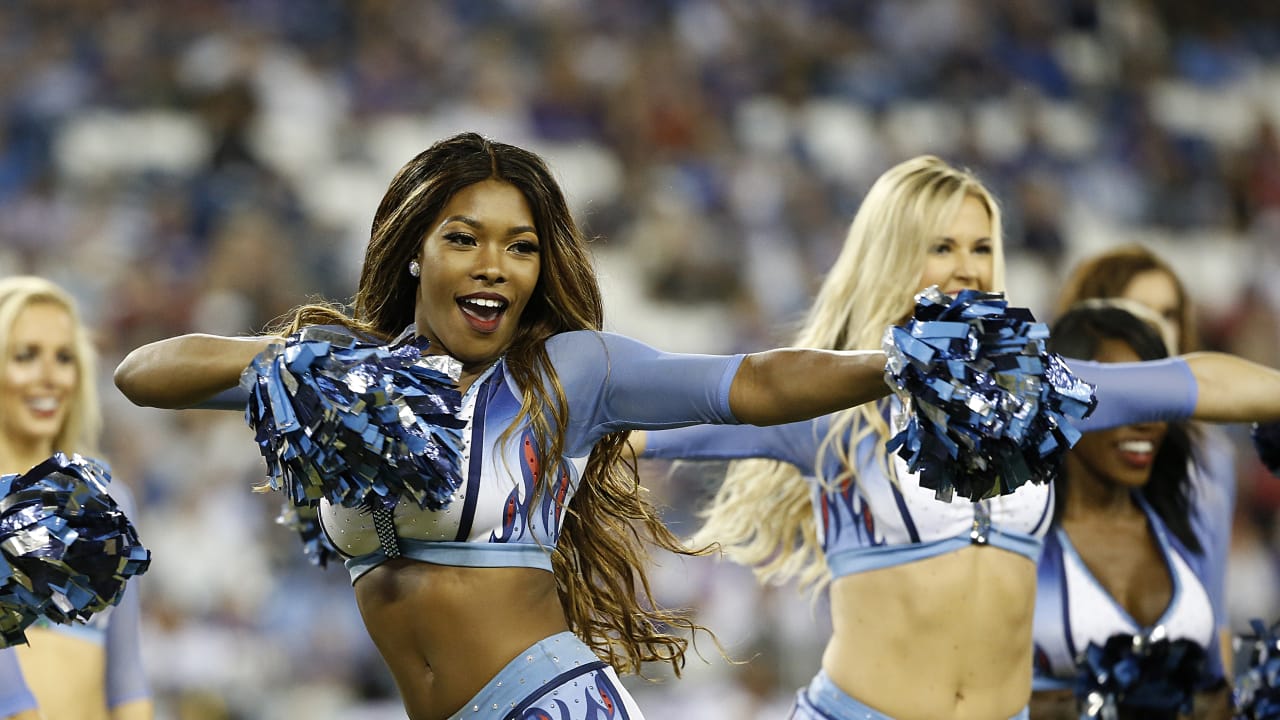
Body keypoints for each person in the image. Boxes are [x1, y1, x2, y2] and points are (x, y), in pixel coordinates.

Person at [112, 132, 905, 720]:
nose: (494, 264)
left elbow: (758, 380)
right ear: (416, 250)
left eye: (520, 247)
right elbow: (143, 375)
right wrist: (300, 363)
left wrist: (900, 363)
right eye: (463, 238)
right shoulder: (344, 378)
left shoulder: (569, 374)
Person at [636, 155, 1280, 720]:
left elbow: (1187, 381)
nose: (967, 269)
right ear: (893, 256)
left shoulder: (1047, 390)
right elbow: (655, 427)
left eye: (980, 248)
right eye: (941, 247)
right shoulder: (830, 408)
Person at [1030, 304, 1231, 720]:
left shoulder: (1189, 519)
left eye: (1157, 403)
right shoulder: (1021, 527)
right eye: (1123, 403)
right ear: (1063, 402)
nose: (1148, 424)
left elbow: (1216, 689)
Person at [1056, 245, 1239, 679]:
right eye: (1137, 310)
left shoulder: (1211, 457)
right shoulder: (1029, 489)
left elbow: (1215, 617)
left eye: (1169, 313)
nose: (1155, 326)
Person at [0, 276, 152, 720]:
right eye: (26, 356)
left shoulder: (108, 500)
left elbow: (127, 677)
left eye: (64, 357)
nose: (50, 376)